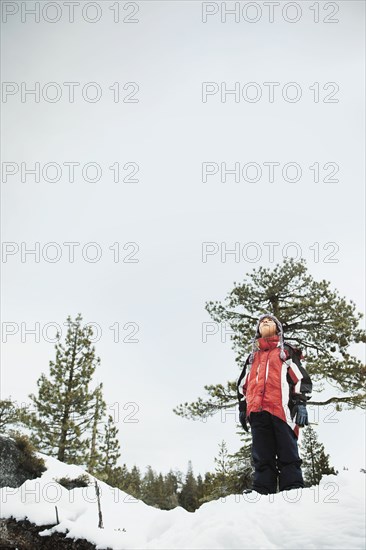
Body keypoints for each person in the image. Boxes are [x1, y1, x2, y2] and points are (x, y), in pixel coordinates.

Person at [237, 313, 312, 494]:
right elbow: (242, 385)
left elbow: (300, 379)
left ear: (278, 329)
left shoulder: (284, 352)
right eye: (262, 322)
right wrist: (243, 408)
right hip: (257, 412)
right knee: (262, 455)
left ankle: (293, 488)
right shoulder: (252, 358)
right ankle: (262, 490)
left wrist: (300, 403)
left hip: (281, 410)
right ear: (258, 331)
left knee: (287, 450)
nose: (265, 322)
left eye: (270, 320)